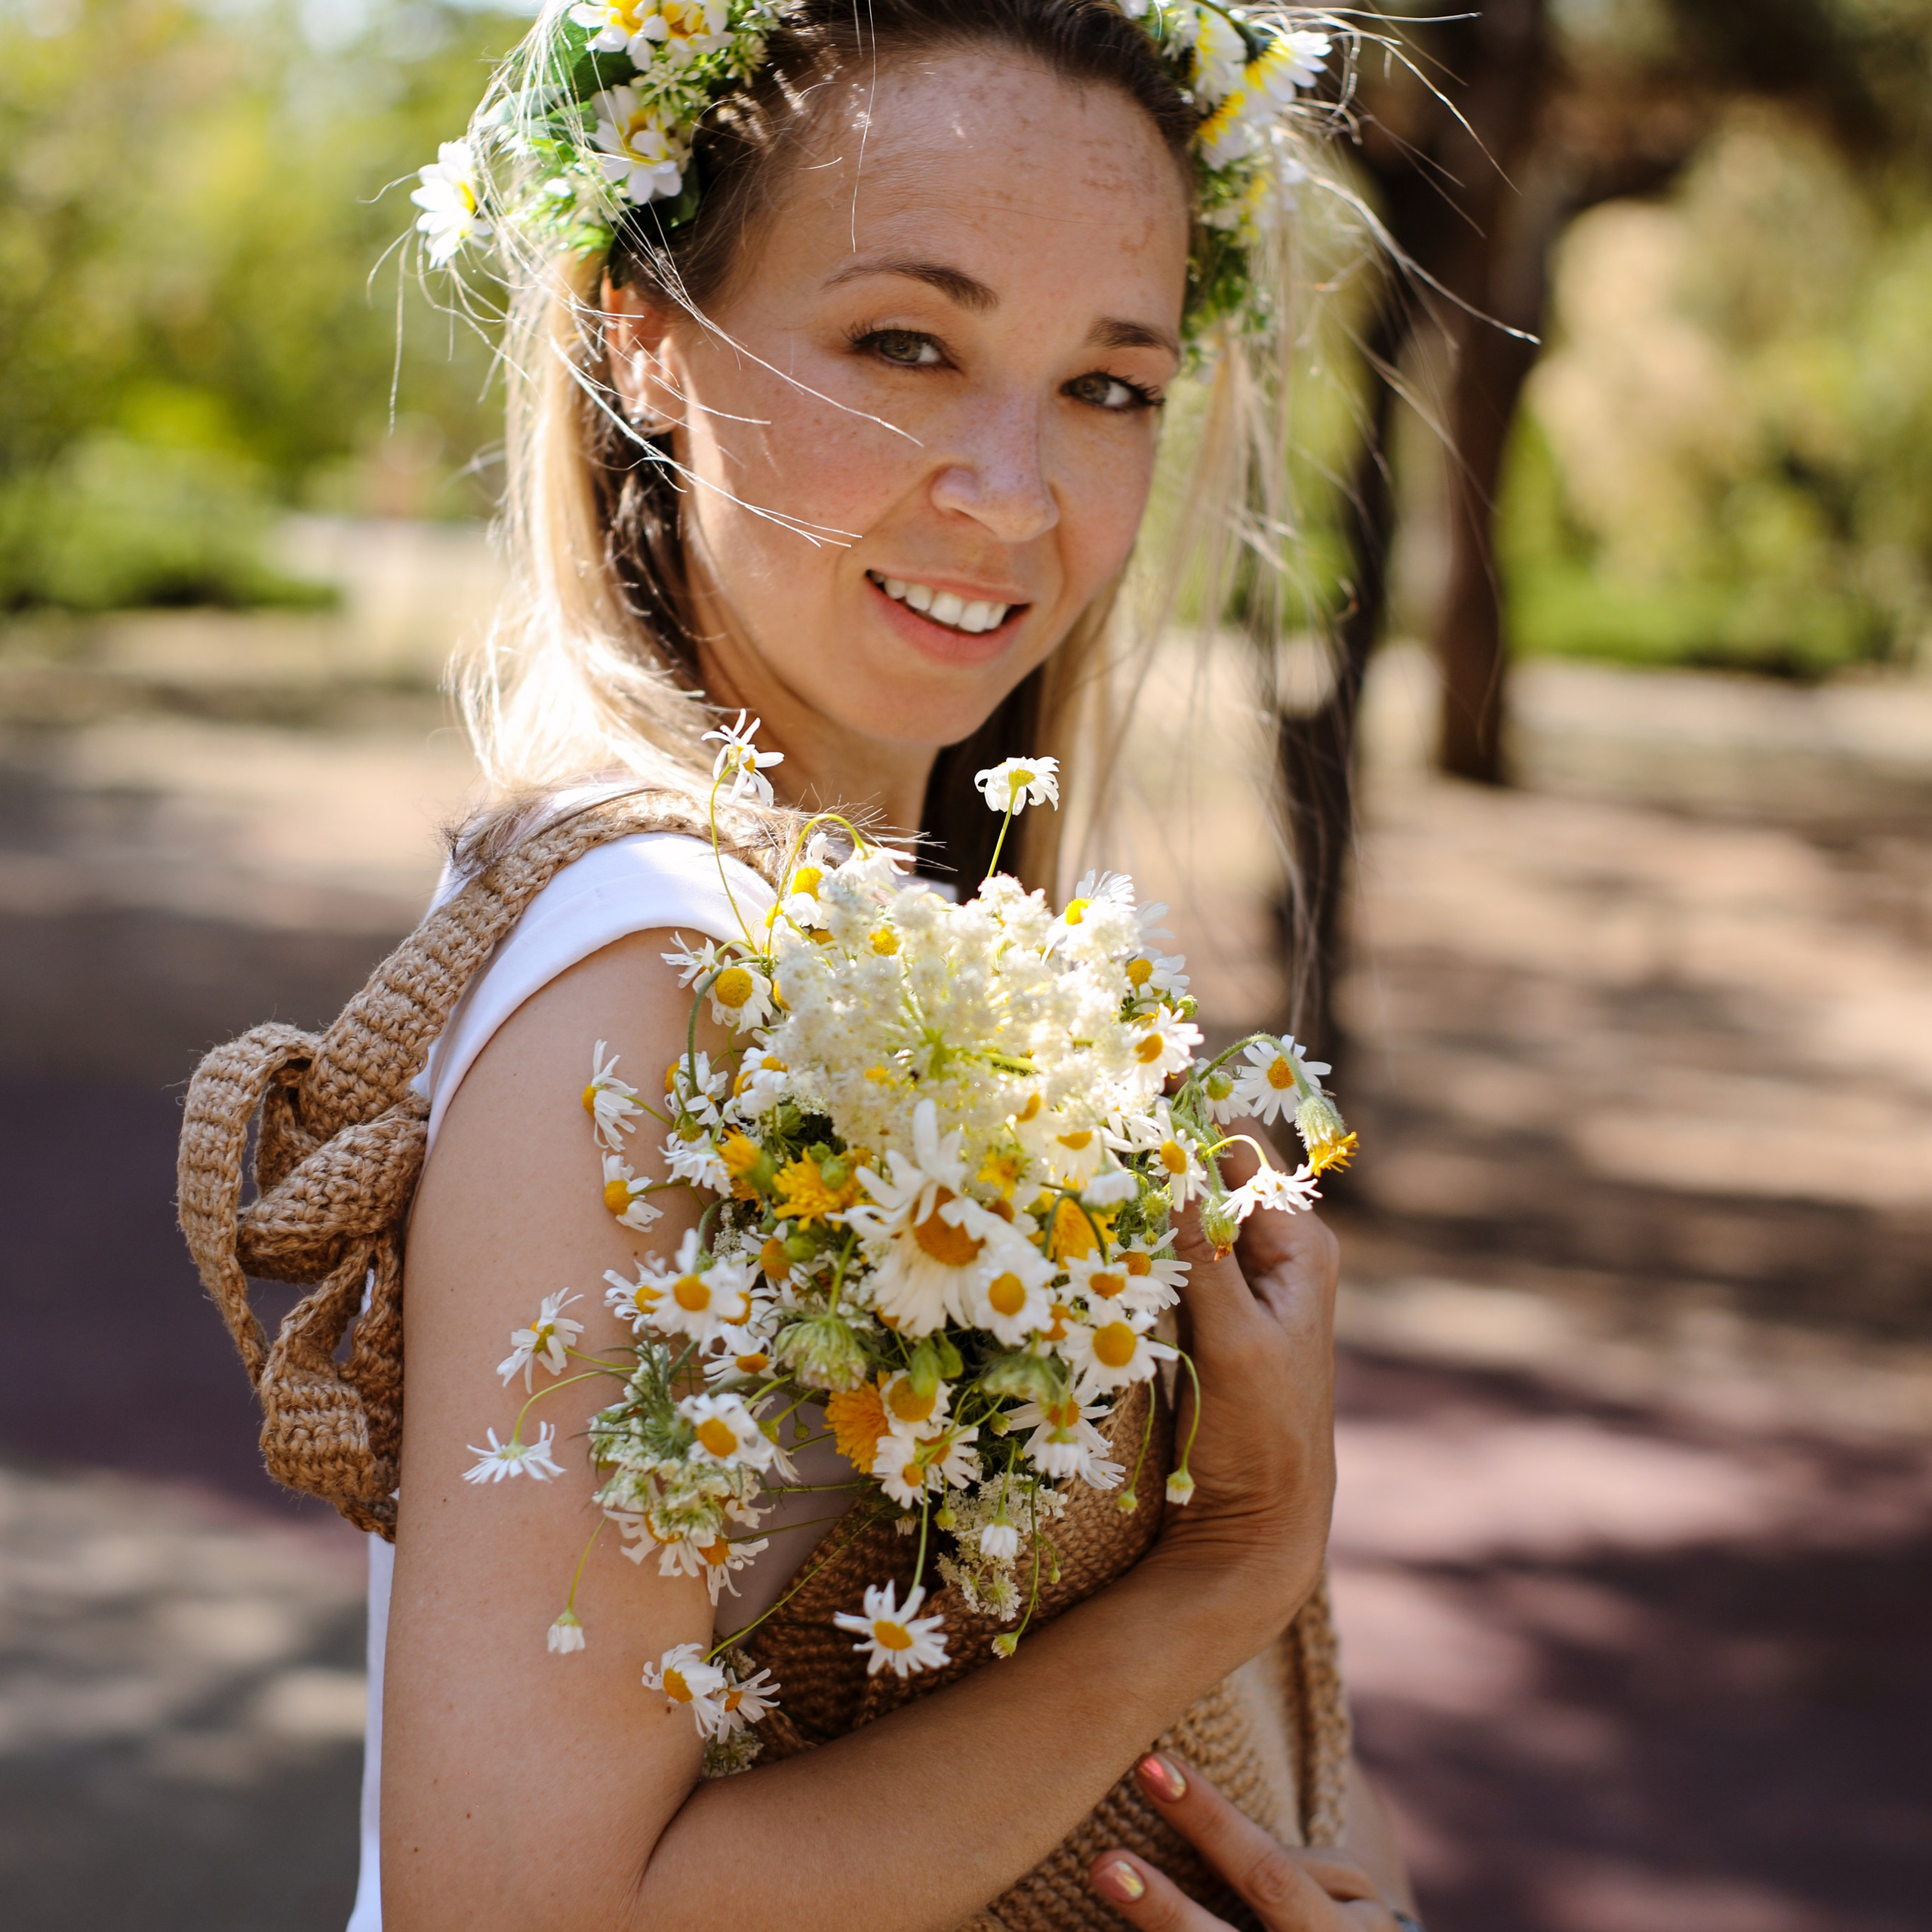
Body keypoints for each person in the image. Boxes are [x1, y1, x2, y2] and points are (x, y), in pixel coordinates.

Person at [180, 2, 1425, 1927]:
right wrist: (1221, 1568)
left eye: (1108, 383)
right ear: (644, 339)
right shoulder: (653, 974)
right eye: (904, 344)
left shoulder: (919, 935)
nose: (1014, 491)